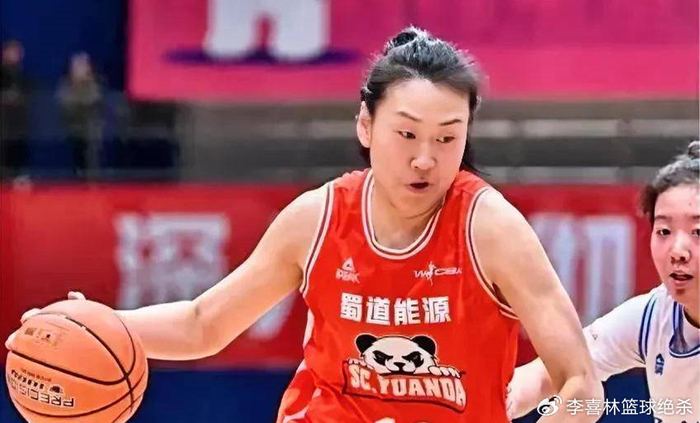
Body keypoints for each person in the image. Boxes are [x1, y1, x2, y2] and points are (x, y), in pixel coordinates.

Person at [6, 27, 602, 423]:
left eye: (448, 138)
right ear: (366, 125)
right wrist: (95, 323)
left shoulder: (490, 228)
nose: (426, 158)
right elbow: (203, 324)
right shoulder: (317, 218)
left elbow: (581, 385)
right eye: (407, 133)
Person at [507, 141, 700, 423]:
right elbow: (552, 373)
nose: (677, 250)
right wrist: (495, 400)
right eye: (664, 231)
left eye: (698, 231)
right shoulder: (652, 317)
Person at [56, 52, 104, 178]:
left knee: (91, 160)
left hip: (90, 133)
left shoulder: (95, 84)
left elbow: (94, 100)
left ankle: (91, 181)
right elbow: (65, 103)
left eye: (83, 66)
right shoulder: (65, 85)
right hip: (71, 130)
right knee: (74, 162)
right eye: (77, 66)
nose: (80, 69)